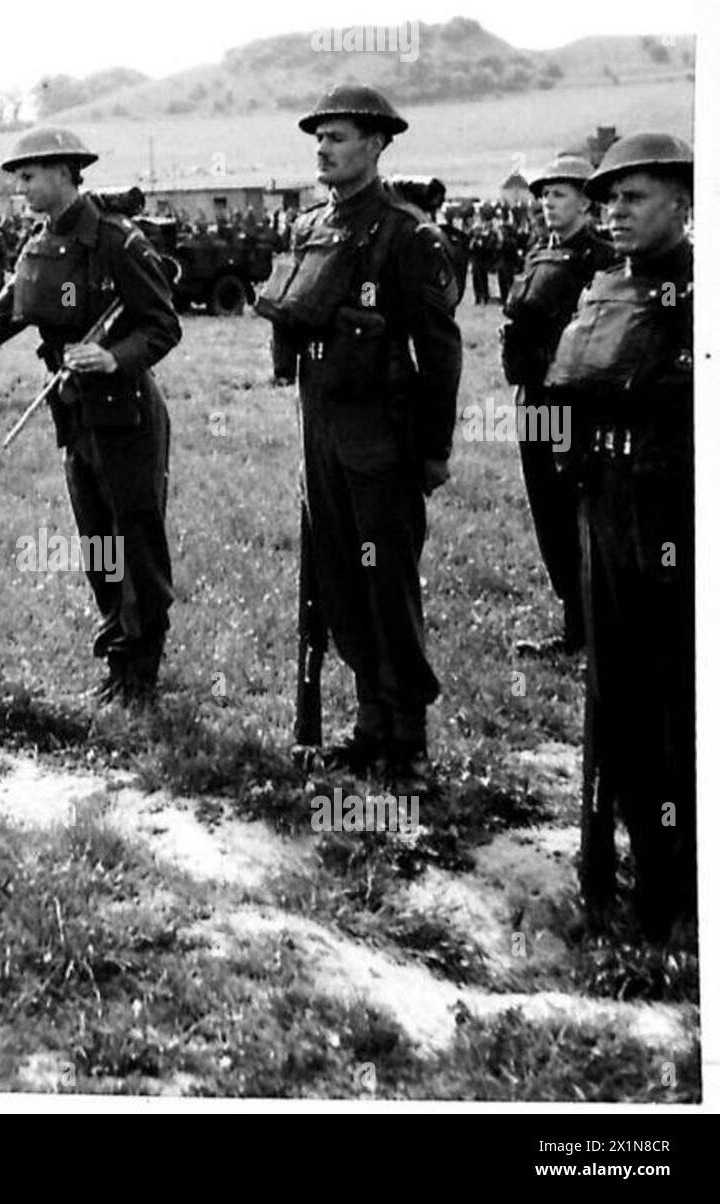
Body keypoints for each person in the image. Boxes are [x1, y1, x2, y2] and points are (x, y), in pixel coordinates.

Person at [0, 127, 181, 707]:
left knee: (135, 542)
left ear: (66, 173)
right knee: (99, 543)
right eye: (17, 176)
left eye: (28, 176)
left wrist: (113, 357)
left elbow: (163, 325)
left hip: (127, 415)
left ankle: (140, 672)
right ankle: (117, 656)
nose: (19, 187)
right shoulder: (37, 247)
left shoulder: (119, 243)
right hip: (74, 417)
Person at [266, 84, 461, 779]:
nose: (324, 149)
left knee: (386, 585)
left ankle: (406, 728)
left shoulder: (407, 235)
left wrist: (433, 449)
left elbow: (440, 351)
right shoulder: (312, 226)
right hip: (321, 431)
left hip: (381, 436)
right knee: (341, 583)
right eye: (319, 138)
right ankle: (370, 718)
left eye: (339, 137)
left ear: (376, 146)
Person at [545, 133, 694, 942]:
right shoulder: (606, 286)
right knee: (618, 694)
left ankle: (677, 878)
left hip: (673, 518)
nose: (616, 213)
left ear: (682, 201)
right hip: (605, 508)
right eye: (609, 200)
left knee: (677, 697)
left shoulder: (697, 292)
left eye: (633, 198)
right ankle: (627, 859)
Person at [500, 154, 616, 657]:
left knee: (577, 505)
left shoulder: (602, 256)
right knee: (547, 506)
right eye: (544, 194)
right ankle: (574, 621)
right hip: (534, 396)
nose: (548, 203)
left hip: (571, 400)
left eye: (560, 194)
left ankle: (596, 623)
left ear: (587, 202)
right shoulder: (537, 251)